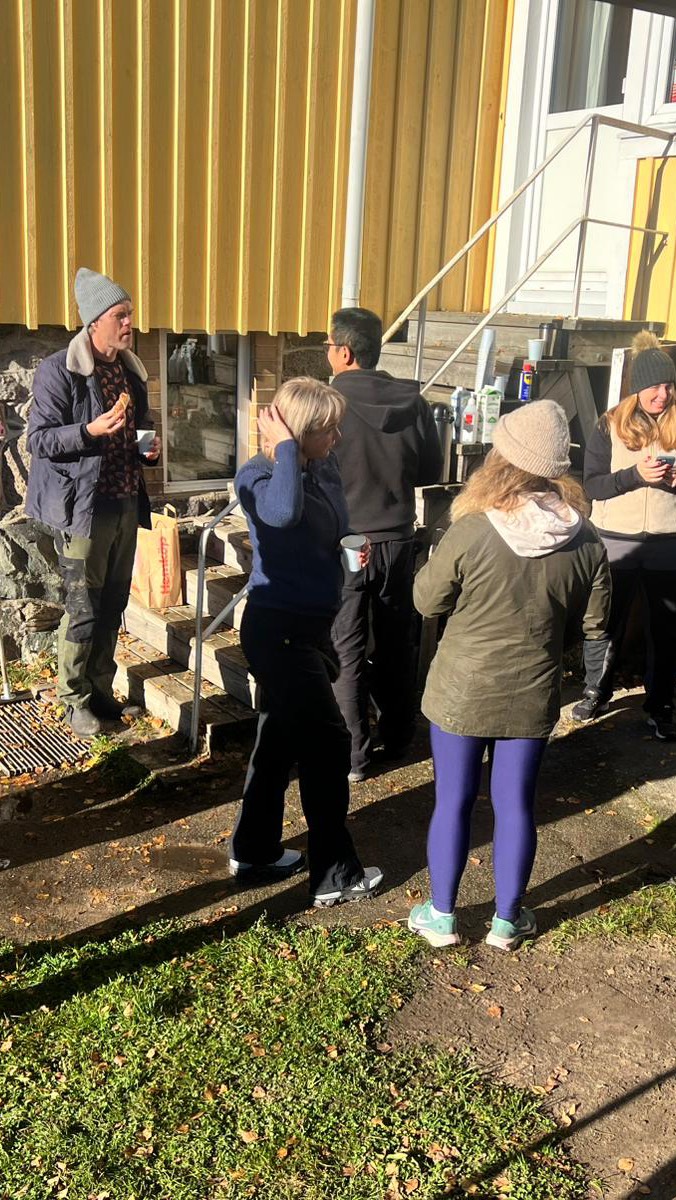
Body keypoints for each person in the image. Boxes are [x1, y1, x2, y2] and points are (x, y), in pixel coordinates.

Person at [408, 401, 610, 951]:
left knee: (452, 801)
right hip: (533, 691)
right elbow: (594, 624)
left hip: (460, 690)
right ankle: (506, 921)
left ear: (499, 460)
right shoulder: (586, 538)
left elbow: (427, 602)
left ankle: (442, 917)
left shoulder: (473, 529)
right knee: (516, 805)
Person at [230, 377, 382, 907]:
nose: (337, 437)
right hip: (278, 630)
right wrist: (287, 449)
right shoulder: (257, 474)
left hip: (311, 625)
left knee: (278, 740)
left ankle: (254, 849)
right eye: (327, 430)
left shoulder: (323, 466)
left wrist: (346, 546)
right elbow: (281, 514)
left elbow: (329, 520)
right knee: (327, 742)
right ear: (298, 434)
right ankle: (334, 876)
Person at [26, 268, 160, 738]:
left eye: (130, 315)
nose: (130, 325)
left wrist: (147, 443)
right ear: (95, 322)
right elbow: (38, 441)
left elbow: (139, 424)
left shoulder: (130, 371)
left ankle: (101, 690)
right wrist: (88, 431)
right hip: (83, 511)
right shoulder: (59, 369)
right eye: (121, 316)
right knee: (83, 605)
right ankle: (73, 699)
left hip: (124, 503)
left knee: (114, 604)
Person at [326, 307, 442, 781]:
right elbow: (432, 471)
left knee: (347, 647)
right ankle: (398, 735)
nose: (328, 354)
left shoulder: (327, 403)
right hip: (398, 538)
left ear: (345, 352)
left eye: (328, 346)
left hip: (349, 540)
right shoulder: (412, 401)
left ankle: (353, 755)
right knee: (397, 642)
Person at [572, 331, 676, 740]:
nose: (662, 395)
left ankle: (661, 703)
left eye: (668, 386)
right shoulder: (609, 424)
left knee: (666, 628)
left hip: (668, 542)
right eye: (654, 386)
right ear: (637, 388)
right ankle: (595, 689)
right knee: (606, 622)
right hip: (615, 539)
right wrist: (636, 476)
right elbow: (593, 485)